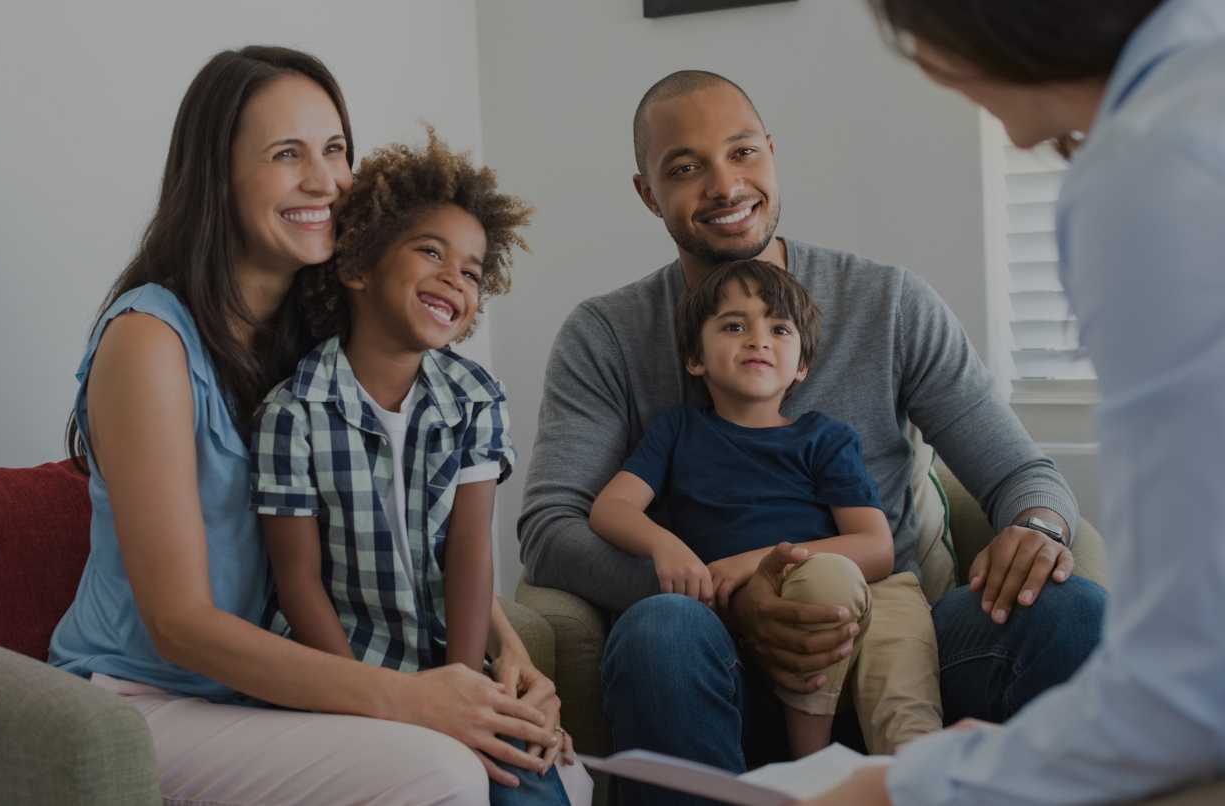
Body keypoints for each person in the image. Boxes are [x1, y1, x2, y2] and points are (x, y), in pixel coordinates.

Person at [518, 68, 1106, 804]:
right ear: (648, 193)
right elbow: (550, 528)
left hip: (889, 641)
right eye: (685, 168)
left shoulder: (887, 303)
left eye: (742, 153)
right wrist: (725, 597)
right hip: (709, 654)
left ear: (771, 152)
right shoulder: (607, 335)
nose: (726, 185)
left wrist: (1039, 525)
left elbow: (1022, 472)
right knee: (660, 631)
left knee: (1073, 609)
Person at [48, 46, 567, 806]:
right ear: (216, 176)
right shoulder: (149, 342)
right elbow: (179, 624)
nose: (324, 180)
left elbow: (407, 528)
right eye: (286, 154)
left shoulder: (321, 342)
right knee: (445, 769)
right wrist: (413, 702)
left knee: (539, 764)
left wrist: (505, 657)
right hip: (141, 700)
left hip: (271, 691)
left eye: (334, 150)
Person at [808, 0, 1225, 803]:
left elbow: (1186, 692)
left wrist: (908, 783)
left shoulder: (1145, 171)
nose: (923, 64)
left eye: (912, 28)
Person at [251, 129, 590, 806]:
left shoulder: (475, 401)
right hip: (337, 675)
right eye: (431, 251)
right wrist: (367, 702)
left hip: (449, 669)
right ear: (358, 266)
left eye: (470, 270)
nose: (453, 278)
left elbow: (469, 555)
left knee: (531, 790)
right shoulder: (290, 414)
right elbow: (298, 582)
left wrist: (463, 692)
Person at [589, 258, 942, 760]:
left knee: (905, 711)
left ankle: (903, 784)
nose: (759, 339)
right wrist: (663, 545)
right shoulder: (679, 430)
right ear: (696, 357)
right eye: (735, 326)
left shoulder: (824, 437)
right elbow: (611, 508)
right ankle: (808, 774)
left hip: (873, 595)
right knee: (820, 584)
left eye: (779, 328)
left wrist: (746, 563)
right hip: (755, 627)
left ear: (801, 365)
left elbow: (875, 548)